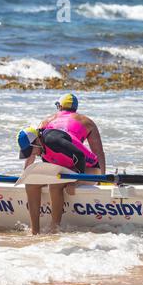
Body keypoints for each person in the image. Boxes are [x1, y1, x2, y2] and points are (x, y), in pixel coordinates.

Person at [17, 93, 106, 235]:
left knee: (55, 183)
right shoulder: (87, 121)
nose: (31, 153)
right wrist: (27, 177)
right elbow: (99, 152)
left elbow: (81, 155)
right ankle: (35, 232)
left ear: (59, 107)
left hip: (87, 167)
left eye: (31, 150)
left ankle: (54, 229)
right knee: (32, 183)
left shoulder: (48, 128)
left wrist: (76, 181)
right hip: (65, 165)